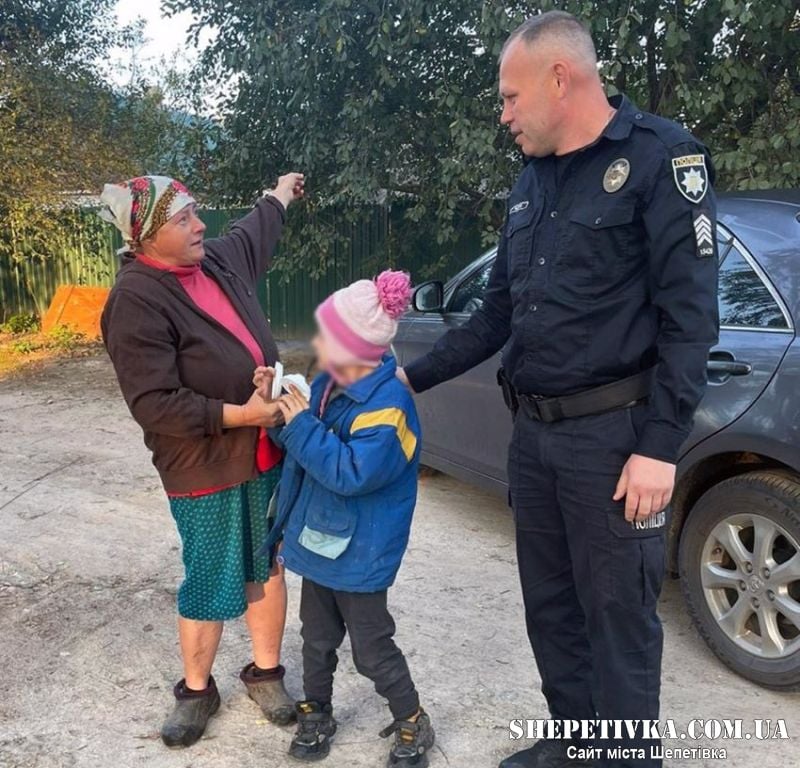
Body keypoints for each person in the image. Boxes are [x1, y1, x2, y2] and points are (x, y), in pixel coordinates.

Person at [399, 12, 719, 768]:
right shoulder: (531, 180)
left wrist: (660, 449)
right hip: (535, 441)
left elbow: (690, 321)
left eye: (510, 97)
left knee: (618, 620)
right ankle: (577, 747)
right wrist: (403, 378)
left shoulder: (660, 160)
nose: (503, 114)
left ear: (559, 79)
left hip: (616, 442)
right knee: (552, 611)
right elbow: (496, 316)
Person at [99, 172, 305, 747]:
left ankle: (266, 673)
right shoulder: (135, 300)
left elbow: (252, 232)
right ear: (144, 236)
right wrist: (243, 414)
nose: (200, 225)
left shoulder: (214, 261)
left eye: (196, 212)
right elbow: (154, 403)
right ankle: (196, 690)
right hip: (202, 463)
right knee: (211, 571)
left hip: (263, 455)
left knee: (266, 564)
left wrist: (280, 194)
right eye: (183, 218)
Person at [255, 271, 436, 767]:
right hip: (319, 544)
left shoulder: (390, 407)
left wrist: (300, 425)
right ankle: (318, 713)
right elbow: (300, 451)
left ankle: (412, 719)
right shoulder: (326, 384)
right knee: (315, 640)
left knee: (371, 648)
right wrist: (277, 409)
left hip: (362, 554)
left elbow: (351, 473)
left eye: (328, 336)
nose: (319, 342)